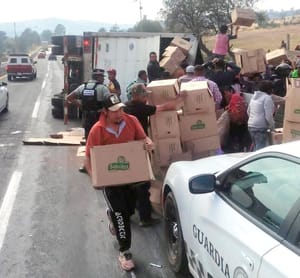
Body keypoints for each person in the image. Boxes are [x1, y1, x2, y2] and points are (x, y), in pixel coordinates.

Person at [84, 93, 154, 271]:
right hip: (111, 182)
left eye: (121, 109)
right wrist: (94, 178)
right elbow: (89, 157)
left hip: (131, 178)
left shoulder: (131, 121)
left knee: (130, 210)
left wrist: (148, 142)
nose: (119, 114)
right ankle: (125, 251)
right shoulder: (97, 130)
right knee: (121, 214)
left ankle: (112, 215)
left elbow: (142, 138)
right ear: (106, 112)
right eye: (115, 111)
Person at [123, 84, 184, 226]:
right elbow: (165, 108)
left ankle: (131, 210)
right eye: (144, 95)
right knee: (143, 183)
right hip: (139, 148)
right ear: (136, 96)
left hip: (126, 148)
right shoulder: (140, 108)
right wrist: (179, 98)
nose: (146, 98)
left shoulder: (126, 107)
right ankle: (145, 218)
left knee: (130, 181)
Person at [66, 69, 110, 173]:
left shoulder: (82, 87)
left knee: (89, 141)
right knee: (101, 141)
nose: (103, 79)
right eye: (102, 77)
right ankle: (101, 165)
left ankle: (86, 165)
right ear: (98, 77)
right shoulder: (103, 89)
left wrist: (80, 106)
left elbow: (69, 98)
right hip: (99, 118)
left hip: (86, 118)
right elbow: (111, 102)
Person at [247, 80, 275, 151]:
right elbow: (268, 116)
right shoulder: (267, 98)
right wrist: (272, 127)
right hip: (260, 127)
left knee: (256, 146)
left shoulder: (253, 97)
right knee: (260, 149)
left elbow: (248, 111)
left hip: (251, 126)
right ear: (269, 89)